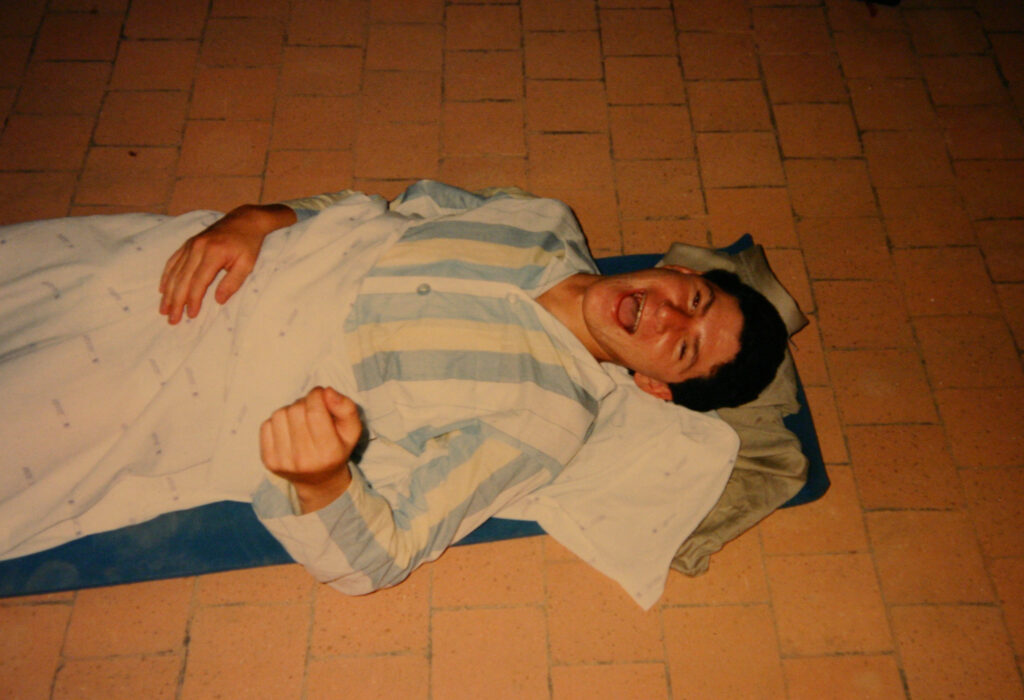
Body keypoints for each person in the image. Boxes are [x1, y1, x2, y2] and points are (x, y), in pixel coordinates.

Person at [1, 182, 785, 597]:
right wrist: (260, 216)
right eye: (695, 299)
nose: (666, 316)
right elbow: (385, 207)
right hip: (212, 266)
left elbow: (380, 558)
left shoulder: (544, 420)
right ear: (677, 271)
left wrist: (321, 478)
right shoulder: (543, 217)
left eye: (682, 348)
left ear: (652, 385)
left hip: (201, 390)